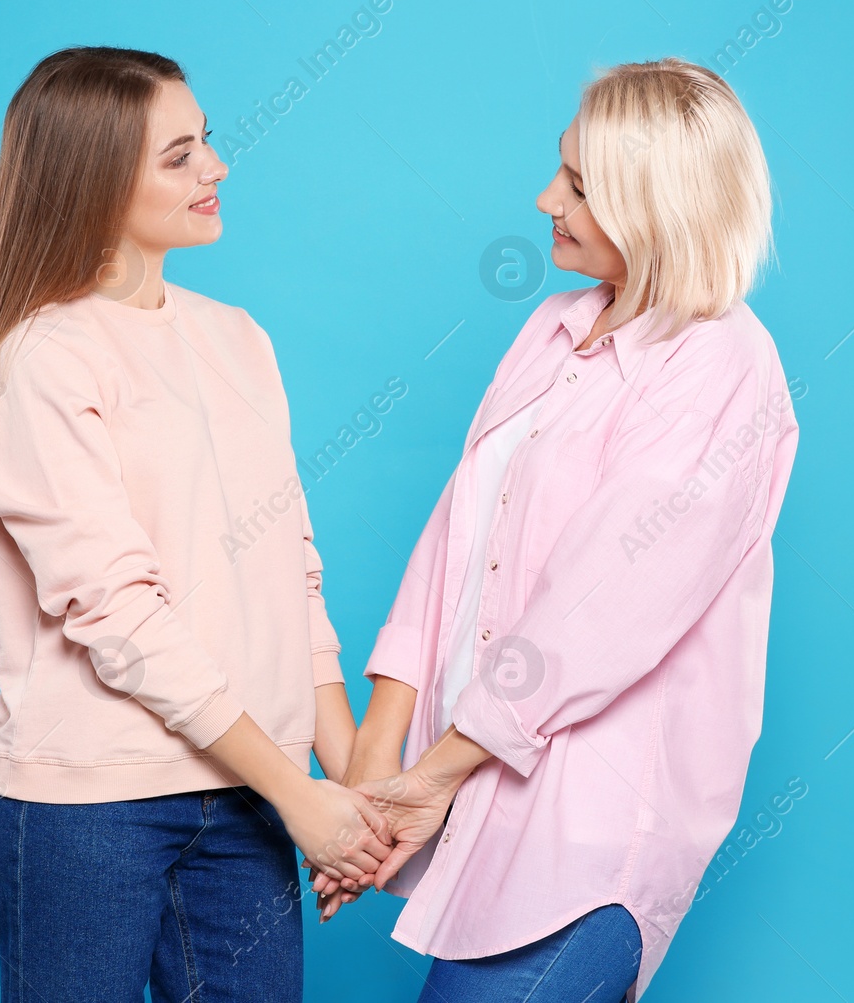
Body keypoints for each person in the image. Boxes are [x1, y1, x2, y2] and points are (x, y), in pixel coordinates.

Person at [307, 57, 802, 1002]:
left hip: (594, 836)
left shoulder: (724, 364)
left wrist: (433, 776)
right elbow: (454, 538)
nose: (546, 198)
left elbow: (602, 599)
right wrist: (379, 763)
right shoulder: (551, 328)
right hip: (480, 803)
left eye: (578, 184)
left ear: (657, 199)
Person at [0, 46, 391, 1003]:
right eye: (179, 155)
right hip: (88, 810)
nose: (216, 168)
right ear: (94, 180)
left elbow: (289, 573)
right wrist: (299, 793)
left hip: (250, 799)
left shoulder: (238, 338)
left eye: (207, 144)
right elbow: (121, 615)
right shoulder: (44, 360)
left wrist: (348, 787)